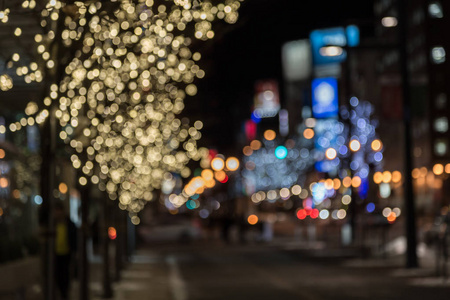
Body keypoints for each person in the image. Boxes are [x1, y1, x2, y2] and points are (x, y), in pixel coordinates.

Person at [54, 202, 77, 300]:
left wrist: (74, 251)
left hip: (66, 253)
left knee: (65, 274)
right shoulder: (53, 224)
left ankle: (64, 293)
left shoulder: (69, 224)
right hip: (56, 254)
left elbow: (73, 238)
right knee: (58, 275)